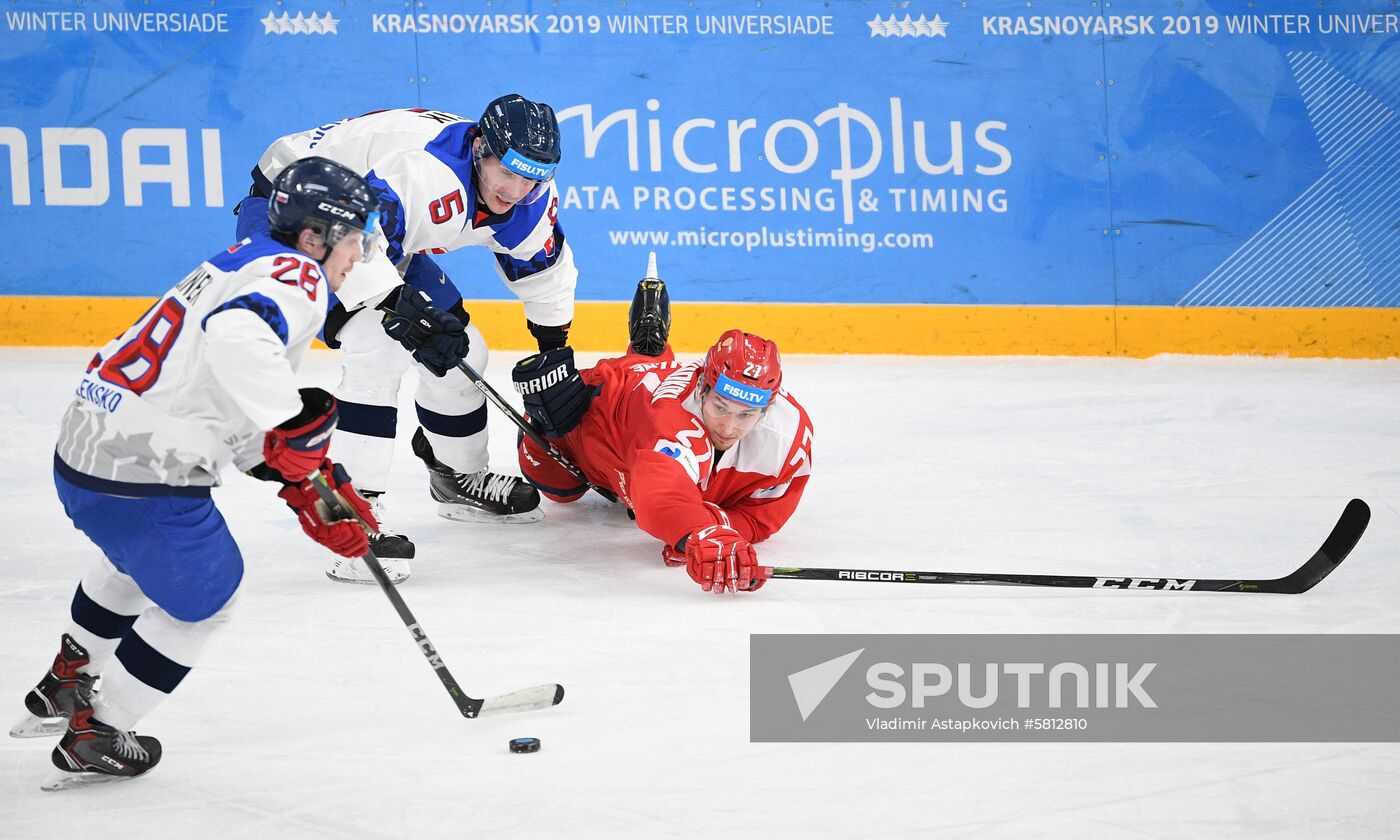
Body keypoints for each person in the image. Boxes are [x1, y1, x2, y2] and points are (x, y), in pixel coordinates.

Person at [9, 158, 397, 789]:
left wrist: (293, 471)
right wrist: (297, 447)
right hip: (139, 477)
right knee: (207, 599)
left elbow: (219, 388)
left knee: (136, 558)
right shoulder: (299, 277)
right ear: (314, 237)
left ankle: (68, 679)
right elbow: (239, 339)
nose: (361, 254)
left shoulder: (244, 257)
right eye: (354, 238)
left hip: (86, 451)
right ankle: (96, 733)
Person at [235, 94, 576, 584]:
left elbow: (542, 269)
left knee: (462, 351)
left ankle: (459, 477)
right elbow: (350, 234)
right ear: (481, 147)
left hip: (369, 224)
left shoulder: (529, 195)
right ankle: (354, 517)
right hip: (294, 209)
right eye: (509, 172)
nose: (518, 190)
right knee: (380, 345)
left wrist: (553, 347)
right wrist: (396, 305)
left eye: (532, 177)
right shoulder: (425, 172)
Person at [511, 255, 814, 595]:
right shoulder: (670, 416)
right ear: (701, 389)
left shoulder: (788, 435)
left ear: (768, 408)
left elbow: (759, 518)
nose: (729, 427)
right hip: (589, 430)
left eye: (747, 415)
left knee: (648, 378)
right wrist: (697, 532)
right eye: (720, 407)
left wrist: (708, 530)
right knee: (561, 491)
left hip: (638, 426)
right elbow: (659, 496)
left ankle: (649, 349)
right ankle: (640, 355)